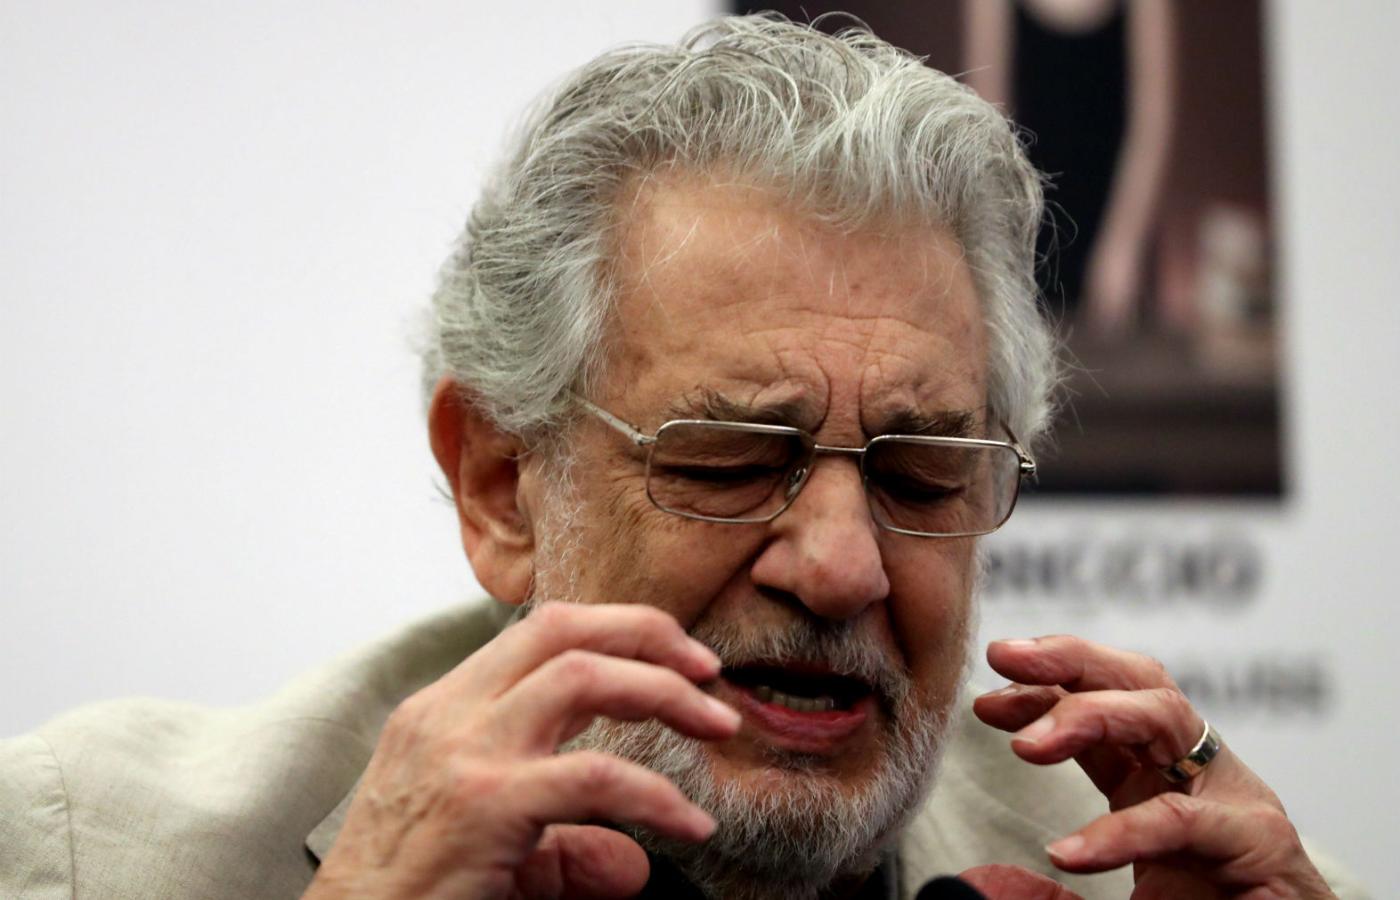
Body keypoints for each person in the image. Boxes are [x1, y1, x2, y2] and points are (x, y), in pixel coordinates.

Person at [0, 14, 1365, 900]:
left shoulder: (1146, 872)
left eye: (919, 475)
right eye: (730, 458)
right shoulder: (77, 846)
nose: (842, 568)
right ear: (503, 486)